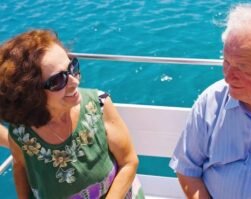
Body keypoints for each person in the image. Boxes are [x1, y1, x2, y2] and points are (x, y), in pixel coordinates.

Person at [169, 4, 251, 199]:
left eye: (242, 68)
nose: (229, 77)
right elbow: (188, 170)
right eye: (226, 62)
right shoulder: (211, 100)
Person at [0, 30, 144, 199]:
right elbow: (20, 168)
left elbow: (129, 162)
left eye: (72, 67)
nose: (74, 82)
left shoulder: (99, 104)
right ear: (32, 94)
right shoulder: (21, 132)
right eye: (58, 80)